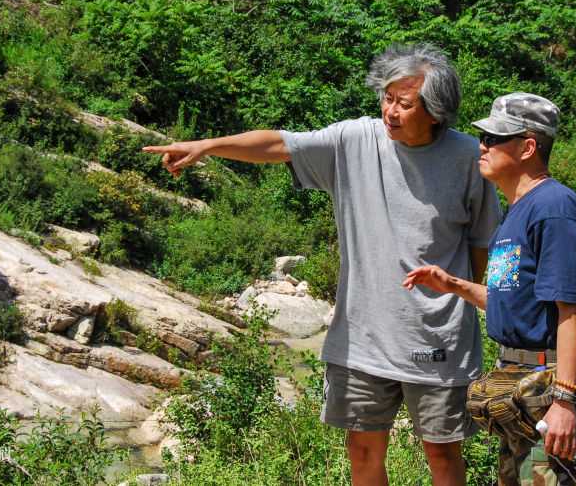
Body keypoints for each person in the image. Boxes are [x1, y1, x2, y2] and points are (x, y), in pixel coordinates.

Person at [144, 43, 501, 486]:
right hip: (363, 337)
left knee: (442, 455)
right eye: (387, 98)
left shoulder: (468, 157)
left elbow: (481, 243)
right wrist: (208, 146)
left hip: (436, 337)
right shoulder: (356, 139)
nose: (390, 111)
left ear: (436, 110)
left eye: (404, 104)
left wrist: (455, 300)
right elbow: (280, 144)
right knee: (362, 451)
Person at [403, 93, 576, 485]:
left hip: (549, 386)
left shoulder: (554, 209)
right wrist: (453, 284)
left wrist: (565, 401)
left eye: (494, 139)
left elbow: (573, 311)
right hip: (519, 391)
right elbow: (512, 302)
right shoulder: (516, 213)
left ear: (528, 147)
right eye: (483, 138)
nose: (482, 146)